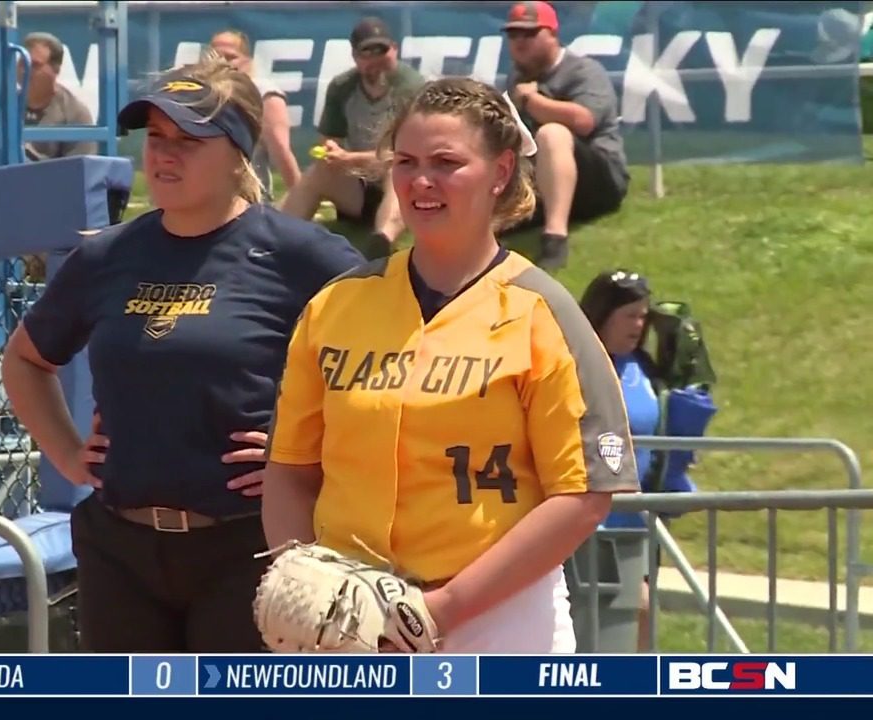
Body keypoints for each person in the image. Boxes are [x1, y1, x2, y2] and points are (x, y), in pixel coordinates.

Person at [0, 51, 366, 653]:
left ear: (238, 153)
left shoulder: (299, 254)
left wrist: (311, 454)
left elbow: (389, 367)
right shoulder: (108, 255)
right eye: (156, 137)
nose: (165, 154)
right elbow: (25, 361)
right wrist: (67, 453)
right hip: (120, 550)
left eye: (190, 141)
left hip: (248, 547)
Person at [261, 76, 640, 653]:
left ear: (501, 171)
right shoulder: (336, 304)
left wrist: (441, 609)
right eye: (406, 162)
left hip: (501, 618)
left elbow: (584, 494)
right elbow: (290, 468)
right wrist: (303, 581)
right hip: (352, 618)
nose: (421, 181)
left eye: (446, 162)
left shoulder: (542, 311)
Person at [580, 268, 714, 651]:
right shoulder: (575, 365)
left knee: (639, 613)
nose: (638, 325)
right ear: (602, 315)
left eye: (643, 316)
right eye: (629, 316)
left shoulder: (644, 368)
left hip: (637, 518)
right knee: (612, 614)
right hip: (589, 519)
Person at [279, 16, 422, 259]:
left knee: (396, 168)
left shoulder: (411, 87)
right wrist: (332, 152)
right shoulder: (342, 86)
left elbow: (407, 154)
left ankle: (382, 242)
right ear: (355, 56)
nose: (375, 59)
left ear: (394, 49)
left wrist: (350, 158)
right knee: (319, 170)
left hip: (404, 186)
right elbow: (328, 141)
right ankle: (276, 238)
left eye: (381, 50)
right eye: (367, 52)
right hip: (360, 186)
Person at [502, 1, 629, 270]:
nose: (520, 41)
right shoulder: (517, 78)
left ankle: (555, 238)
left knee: (553, 133)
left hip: (599, 182)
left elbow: (584, 122)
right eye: (513, 34)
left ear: (552, 34)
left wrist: (531, 100)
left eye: (529, 33)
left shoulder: (584, 70)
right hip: (543, 181)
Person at [208, 29, 303, 202]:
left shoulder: (264, 95)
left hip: (249, 202)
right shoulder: (200, 95)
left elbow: (281, 152)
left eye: (230, 57)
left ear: (247, 62)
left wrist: (302, 202)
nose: (221, 63)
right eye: (215, 57)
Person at [19, 31, 97, 162]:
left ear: (56, 70)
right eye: (22, 63)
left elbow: (80, 170)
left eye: (34, 65)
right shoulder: (3, 107)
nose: (24, 70)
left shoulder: (75, 113)